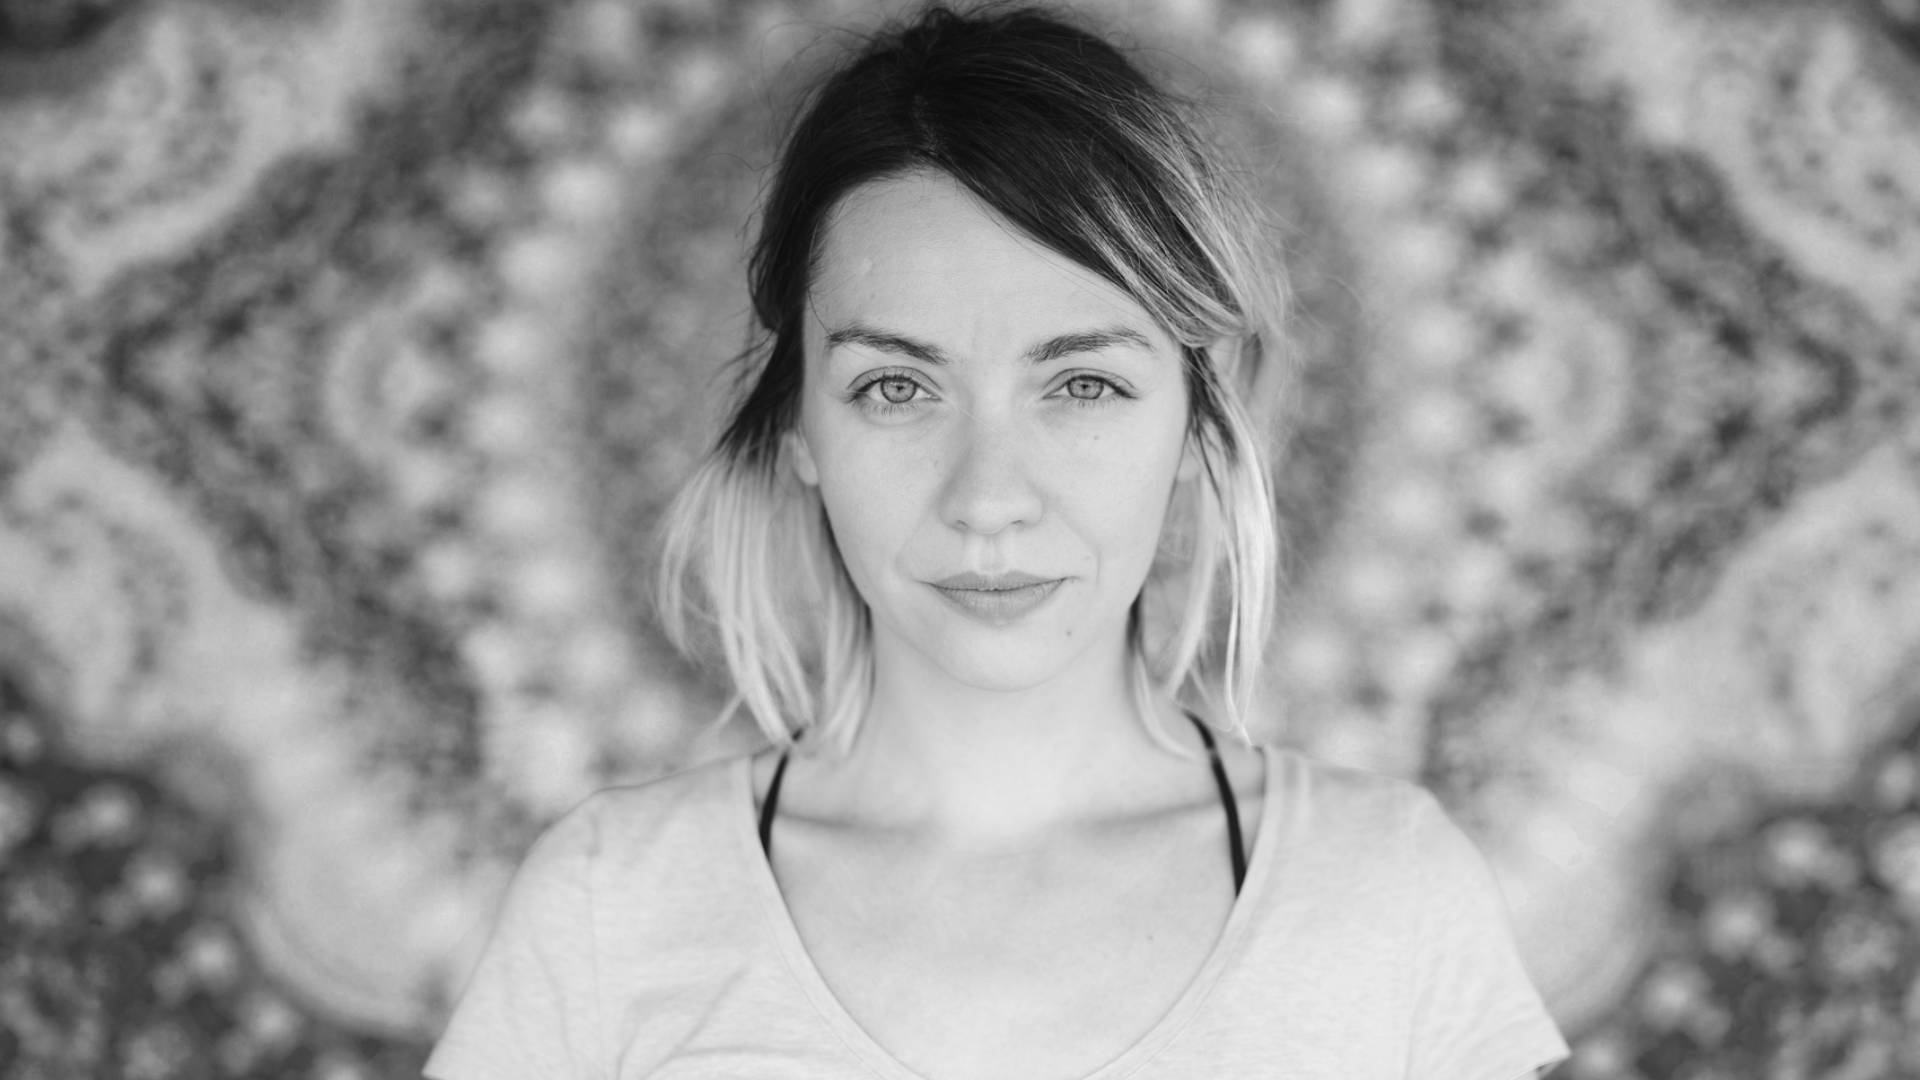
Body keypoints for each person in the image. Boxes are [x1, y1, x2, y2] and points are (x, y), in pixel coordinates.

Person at [423, 3, 1574, 1078]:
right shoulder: (609, 908)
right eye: (895, 387)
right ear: (800, 426)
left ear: (1194, 418)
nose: (987, 500)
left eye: (1082, 384)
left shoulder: (1388, 894)